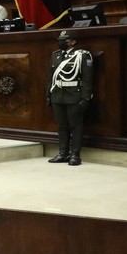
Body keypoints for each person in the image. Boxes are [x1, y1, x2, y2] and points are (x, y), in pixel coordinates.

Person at [47, 29, 95, 167]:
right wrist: (48, 95)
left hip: (74, 95)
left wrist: (85, 98)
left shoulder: (82, 56)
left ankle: (75, 154)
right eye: (60, 40)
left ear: (73, 41)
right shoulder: (55, 55)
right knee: (62, 126)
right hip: (57, 95)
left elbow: (87, 79)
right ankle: (63, 153)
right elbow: (50, 78)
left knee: (75, 126)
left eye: (65, 40)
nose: (62, 43)